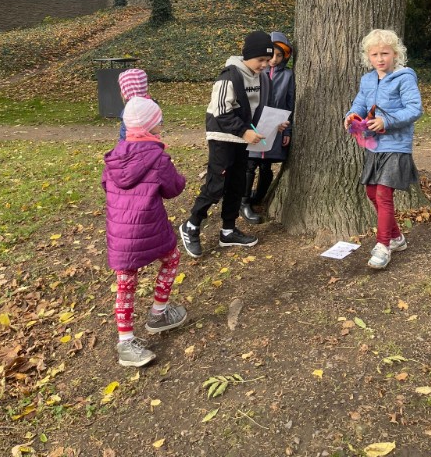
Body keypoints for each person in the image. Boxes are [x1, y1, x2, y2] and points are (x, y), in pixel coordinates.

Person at [178, 30, 279, 259]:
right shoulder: (229, 75)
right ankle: (192, 225)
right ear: (248, 56)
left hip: (243, 138)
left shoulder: (260, 77)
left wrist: (272, 125)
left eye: (267, 60)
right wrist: (244, 131)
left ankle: (228, 229)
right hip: (223, 137)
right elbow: (221, 111)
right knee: (216, 184)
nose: (265, 64)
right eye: (260, 60)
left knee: (236, 184)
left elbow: (254, 109)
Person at [102, 96, 187, 367]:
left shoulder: (114, 157)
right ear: (151, 127)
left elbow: (106, 185)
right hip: (151, 227)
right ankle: (158, 312)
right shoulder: (158, 158)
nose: (162, 124)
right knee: (171, 259)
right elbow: (173, 189)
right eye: (159, 121)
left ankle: (126, 341)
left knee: (126, 282)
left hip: (120, 232)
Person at [344, 29, 423, 270]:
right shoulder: (367, 80)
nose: (380, 58)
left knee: (383, 195)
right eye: (375, 54)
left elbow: (414, 109)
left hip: (396, 146)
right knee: (370, 192)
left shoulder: (405, 77)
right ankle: (396, 237)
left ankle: (382, 246)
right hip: (373, 145)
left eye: (385, 53)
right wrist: (351, 115)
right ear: (368, 56)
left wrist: (386, 121)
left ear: (395, 54)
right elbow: (360, 102)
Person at [241, 32, 295, 224]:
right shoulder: (256, 72)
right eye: (271, 55)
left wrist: (287, 130)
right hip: (254, 125)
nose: (274, 60)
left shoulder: (288, 75)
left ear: (285, 57)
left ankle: (259, 197)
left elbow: (290, 104)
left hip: (276, 127)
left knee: (266, 165)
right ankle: (244, 201)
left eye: (279, 56)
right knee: (250, 163)